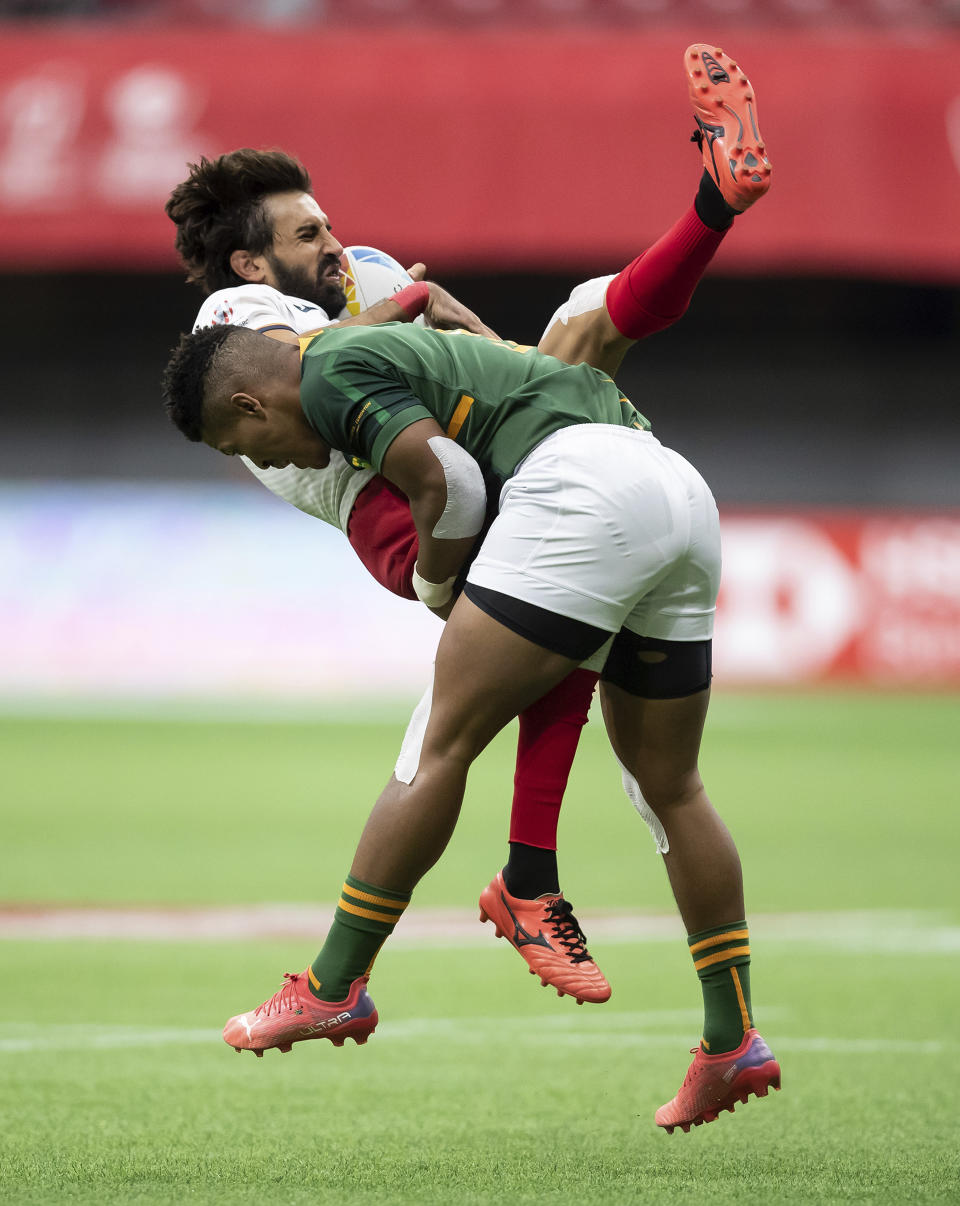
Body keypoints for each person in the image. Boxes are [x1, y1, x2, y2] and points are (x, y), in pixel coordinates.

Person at [161, 43, 780, 1134]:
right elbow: (357, 380)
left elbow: (468, 370)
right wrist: (431, 319)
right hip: (420, 513)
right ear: (250, 276)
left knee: (441, 738)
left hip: (549, 487)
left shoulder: (351, 281)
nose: (336, 243)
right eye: (307, 235)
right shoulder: (234, 335)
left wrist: (466, 339)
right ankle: (713, 1023)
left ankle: (348, 977)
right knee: (664, 782)